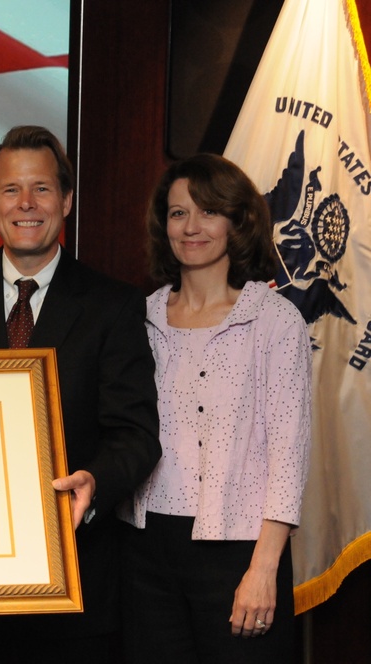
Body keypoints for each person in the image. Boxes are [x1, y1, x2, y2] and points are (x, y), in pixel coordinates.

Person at [0, 125, 161, 662]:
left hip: (73, 578)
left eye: (41, 188)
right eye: (10, 190)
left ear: (66, 199)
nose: (26, 204)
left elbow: (135, 435)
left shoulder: (115, 305)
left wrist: (95, 481)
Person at [119, 153, 311, 663]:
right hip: (144, 549)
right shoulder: (139, 318)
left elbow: (289, 456)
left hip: (240, 551)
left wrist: (264, 568)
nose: (191, 227)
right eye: (178, 213)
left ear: (237, 220)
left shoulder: (275, 320)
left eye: (208, 211)